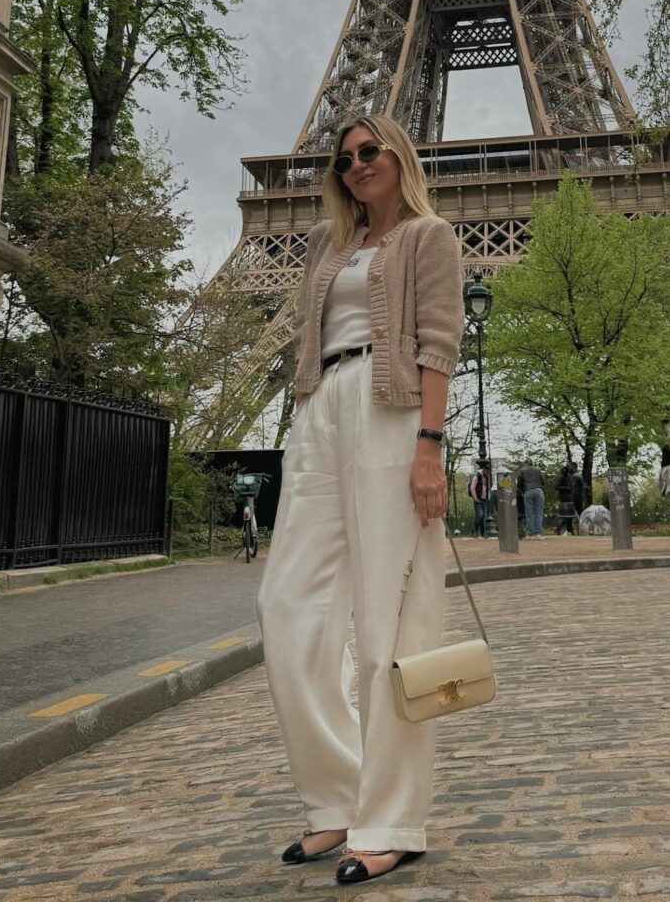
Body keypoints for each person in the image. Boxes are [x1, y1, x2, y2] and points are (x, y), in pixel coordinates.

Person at [256, 114, 464, 885]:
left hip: (391, 408)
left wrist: (429, 448)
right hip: (319, 410)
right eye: (343, 158)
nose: (355, 165)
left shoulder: (428, 236)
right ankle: (337, 794)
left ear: (397, 156)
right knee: (288, 610)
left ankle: (392, 819)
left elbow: (439, 339)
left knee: (389, 627)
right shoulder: (324, 244)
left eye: (369, 152)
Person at [517, 458, 545, 539]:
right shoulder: (538, 470)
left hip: (528, 491)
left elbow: (519, 483)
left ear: (525, 463)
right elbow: (543, 481)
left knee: (530, 513)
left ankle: (531, 533)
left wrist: (521, 491)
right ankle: (538, 533)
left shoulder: (522, 470)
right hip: (539, 490)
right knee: (539, 512)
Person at [555, 460, 580, 535]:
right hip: (564, 498)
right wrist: (568, 488)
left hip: (569, 497)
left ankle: (568, 530)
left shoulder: (568, 476)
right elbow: (556, 486)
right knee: (568, 514)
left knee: (570, 514)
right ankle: (565, 529)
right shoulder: (561, 476)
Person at [469, 461, 490, 538]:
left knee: (483, 517)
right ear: (484, 470)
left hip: (485, 499)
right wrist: (475, 498)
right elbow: (472, 488)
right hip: (478, 498)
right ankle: (474, 530)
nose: (488, 473)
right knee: (479, 515)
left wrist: (488, 497)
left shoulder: (487, 478)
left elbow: (487, 488)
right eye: (487, 471)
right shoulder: (477, 476)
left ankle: (483, 533)